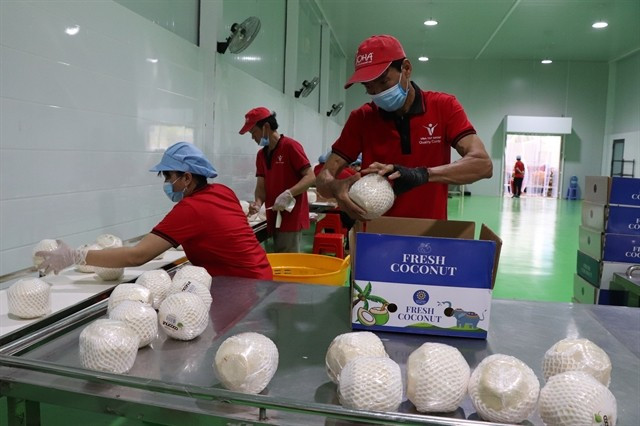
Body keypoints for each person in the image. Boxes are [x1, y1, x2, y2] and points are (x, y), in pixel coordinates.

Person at [316, 35, 493, 221]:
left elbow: (483, 165)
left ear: (406, 69)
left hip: (429, 232)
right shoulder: (361, 118)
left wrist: (420, 175)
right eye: (369, 87)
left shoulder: (444, 107)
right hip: (377, 233)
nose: (378, 93)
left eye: (384, 82)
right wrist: (335, 188)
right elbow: (324, 177)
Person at [37, 142, 273, 280]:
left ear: (187, 177)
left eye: (169, 177)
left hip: (243, 285)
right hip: (260, 275)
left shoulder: (191, 208)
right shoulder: (222, 191)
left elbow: (136, 256)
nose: (167, 184)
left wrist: (76, 256)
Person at [239, 107, 315, 252]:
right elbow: (261, 186)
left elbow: (310, 176)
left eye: (253, 132)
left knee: (288, 262)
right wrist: (257, 203)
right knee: (277, 259)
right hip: (272, 216)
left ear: (266, 127)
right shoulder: (261, 155)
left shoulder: (290, 147)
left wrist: (289, 193)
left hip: (291, 217)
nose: (252, 137)